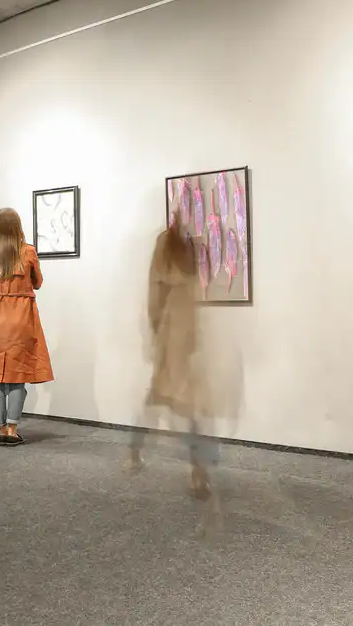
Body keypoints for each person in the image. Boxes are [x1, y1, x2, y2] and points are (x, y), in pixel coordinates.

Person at [129, 213, 219, 499]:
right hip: (182, 332)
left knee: (168, 398)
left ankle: (136, 451)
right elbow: (167, 292)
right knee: (183, 402)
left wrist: (157, 331)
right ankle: (196, 469)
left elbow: (156, 292)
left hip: (176, 332)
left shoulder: (173, 243)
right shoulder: (183, 244)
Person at [0, 209, 53, 446]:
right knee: (18, 377)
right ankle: (12, 429)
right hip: (21, 318)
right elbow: (37, 282)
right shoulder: (28, 251)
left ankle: (0, 428)